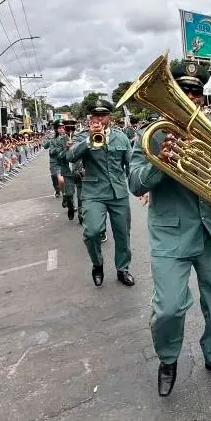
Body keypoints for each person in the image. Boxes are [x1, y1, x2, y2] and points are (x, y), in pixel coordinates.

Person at [128, 61, 211, 396]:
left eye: (195, 93)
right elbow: (135, 182)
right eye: (183, 92)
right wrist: (162, 165)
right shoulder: (152, 135)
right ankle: (168, 359)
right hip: (170, 234)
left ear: (201, 99)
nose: (189, 98)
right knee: (169, 307)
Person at [67, 102, 133, 287]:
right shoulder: (82, 136)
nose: (99, 119)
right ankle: (97, 263)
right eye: (95, 116)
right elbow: (70, 157)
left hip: (118, 192)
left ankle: (123, 269)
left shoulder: (121, 137)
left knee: (123, 234)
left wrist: (142, 190)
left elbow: (130, 165)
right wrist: (89, 140)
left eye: (102, 116)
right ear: (90, 118)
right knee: (92, 232)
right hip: (93, 193)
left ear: (109, 117)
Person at [58, 120, 80, 221]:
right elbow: (59, 156)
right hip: (67, 171)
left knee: (81, 194)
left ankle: (81, 214)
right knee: (70, 193)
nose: (70, 130)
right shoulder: (61, 140)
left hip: (79, 170)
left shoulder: (80, 138)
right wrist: (66, 148)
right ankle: (70, 207)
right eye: (68, 128)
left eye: (72, 128)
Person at [43, 121, 67, 198]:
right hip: (54, 162)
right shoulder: (52, 138)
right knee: (54, 177)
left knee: (63, 179)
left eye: (63, 128)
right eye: (59, 128)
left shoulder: (67, 137)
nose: (62, 129)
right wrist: (50, 138)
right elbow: (46, 147)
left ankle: (65, 195)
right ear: (56, 129)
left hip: (64, 161)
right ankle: (57, 189)